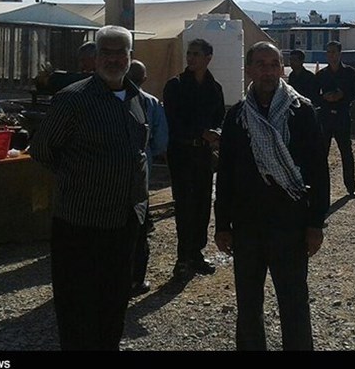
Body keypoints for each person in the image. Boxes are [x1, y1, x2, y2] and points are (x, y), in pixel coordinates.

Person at [29, 25, 149, 350]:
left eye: (120, 52)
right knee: (78, 309)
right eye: (106, 52)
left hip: (123, 223)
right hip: (80, 223)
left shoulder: (137, 99)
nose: (113, 59)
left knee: (114, 305)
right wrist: (81, 177)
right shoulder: (73, 99)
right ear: (95, 57)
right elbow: (42, 150)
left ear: (130, 56)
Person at [214, 42, 329, 350]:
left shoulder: (301, 112)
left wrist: (315, 223)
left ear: (281, 69)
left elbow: (318, 171)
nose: (267, 71)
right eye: (260, 64)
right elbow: (225, 174)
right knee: (248, 304)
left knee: (294, 303)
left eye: (273, 64)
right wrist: (222, 224)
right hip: (247, 226)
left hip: (290, 225)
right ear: (249, 70)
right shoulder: (237, 116)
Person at [163, 38, 225, 278]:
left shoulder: (214, 87)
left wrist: (216, 133)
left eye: (196, 54)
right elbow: (173, 120)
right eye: (189, 53)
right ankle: (183, 258)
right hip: (182, 152)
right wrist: (200, 132)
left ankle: (196, 253)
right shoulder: (176, 86)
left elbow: (219, 117)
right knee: (185, 205)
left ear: (208, 58)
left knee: (202, 204)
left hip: (203, 154)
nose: (190, 58)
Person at [126, 60, 168, 297]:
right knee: (139, 224)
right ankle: (136, 280)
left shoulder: (109, 100)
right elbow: (161, 141)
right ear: (144, 79)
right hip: (142, 168)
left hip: (112, 175)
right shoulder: (151, 103)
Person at [314, 41, 355, 199]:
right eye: (328, 52)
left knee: (346, 152)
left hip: (342, 116)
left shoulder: (349, 72)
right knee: (322, 153)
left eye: (334, 52)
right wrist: (324, 97)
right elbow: (314, 96)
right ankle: (320, 187)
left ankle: (351, 187)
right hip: (325, 117)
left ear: (340, 53)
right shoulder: (322, 74)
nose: (331, 55)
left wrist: (342, 95)